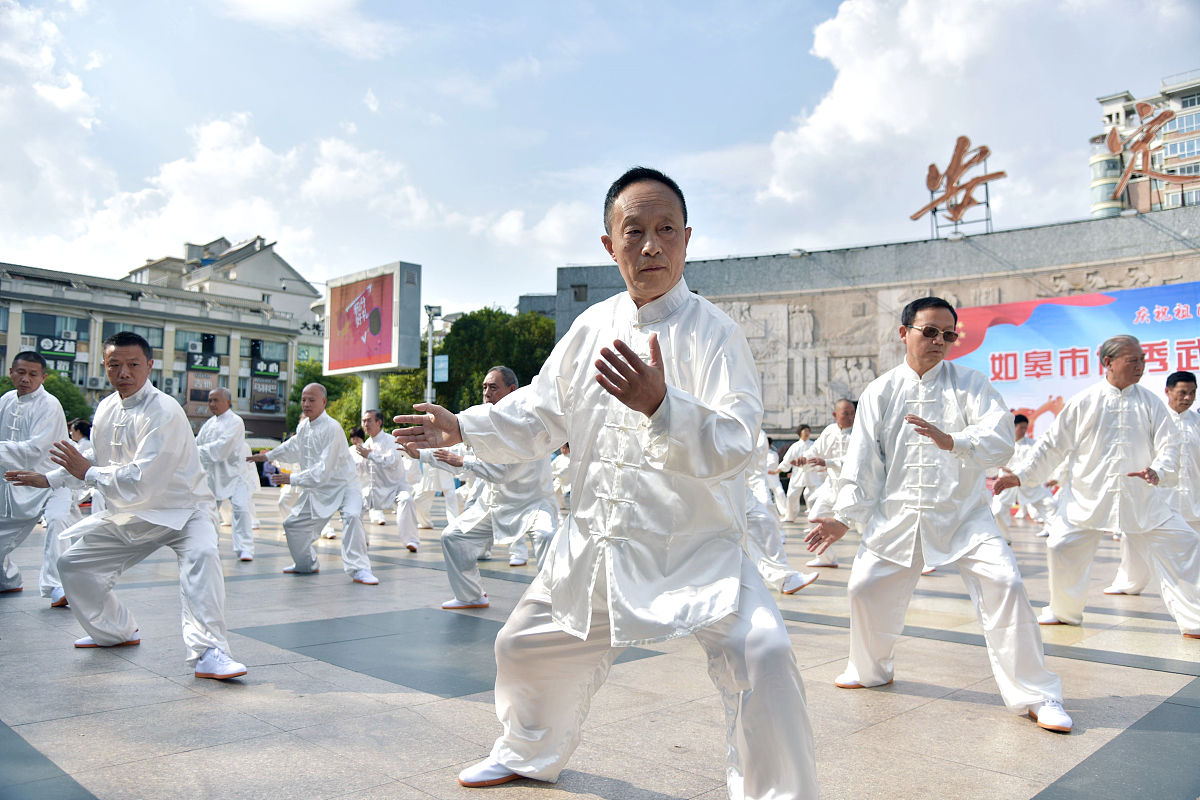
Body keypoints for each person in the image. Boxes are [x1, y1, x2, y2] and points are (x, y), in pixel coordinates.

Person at [395, 167, 817, 796]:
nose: (652, 245)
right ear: (609, 245)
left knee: (765, 654)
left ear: (686, 238)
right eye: (635, 231)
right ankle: (527, 751)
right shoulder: (592, 327)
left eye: (665, 230)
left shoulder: (714, 333)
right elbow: (539, 410)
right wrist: (463, 427)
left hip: (695, 544)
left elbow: (738, 438)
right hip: (598, 543)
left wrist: (662, 406)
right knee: (524, 646)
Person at [806, 296, 1070, 734]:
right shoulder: (880, 391)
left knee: (1005, 582)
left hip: (964, 516)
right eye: (929, 331)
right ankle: (871, 668)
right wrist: (844, 518)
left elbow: (1000, 438)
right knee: (864, 587)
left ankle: (1037, 695)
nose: (940, 341)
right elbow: (863, 464)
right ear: (904, 332)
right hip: (896, 516)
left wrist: (955, 442)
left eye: (948, 334)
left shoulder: (972, 384)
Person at [5, 332, 246, 679]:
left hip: (185, 510)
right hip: (133, 514)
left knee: (202, 559)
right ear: (104, 366)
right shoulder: (106, 407)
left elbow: (142, 476)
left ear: (149, 366)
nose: (124, 373)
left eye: (133, 365)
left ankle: (210, 652)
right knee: (73, 565)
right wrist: (49, 478)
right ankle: (116, 631)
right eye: (114, 365)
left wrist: (86, 471)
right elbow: (95, 456)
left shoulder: (164, 410)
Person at [996, 341, 1200, 637]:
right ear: (1109, 362)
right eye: (1133, 360)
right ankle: (1064, 612)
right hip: (1087, 497)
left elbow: (1169, 446)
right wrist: (1023, 475)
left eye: (1143, 360)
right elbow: (1053, 445)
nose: (1141, 365)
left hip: (1142, 498)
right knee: (1061, 545)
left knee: (1183, 543)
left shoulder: (1152, 403)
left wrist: (1158, 471)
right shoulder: (1084, 402)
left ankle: (1194, 620)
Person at [413, 366, 558, 609]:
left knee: (547, 535)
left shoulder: (528, 418)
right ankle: (470, 595)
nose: (486, 392)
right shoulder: (477, 415)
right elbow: (458, 451)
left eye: (493, 387)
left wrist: (463, 461)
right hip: (493, 505)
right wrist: (420, 454)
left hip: (533, 503)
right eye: (484, 387)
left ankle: (554, 601)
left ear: (512, 390)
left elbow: (502, 470)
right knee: (452, 536)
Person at [250, 383, 379, 585]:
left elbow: (323, 468)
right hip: (318, 489)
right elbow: (292, 447)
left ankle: (360, 569)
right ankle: (306, 564)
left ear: (324, 402)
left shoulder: (333, 428)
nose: (306, 404)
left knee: (353, 517)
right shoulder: (303, 426)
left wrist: (292, 478)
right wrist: (268, 456)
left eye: (312, 400)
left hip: (345, 486)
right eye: (303, 399)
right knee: (292, 525)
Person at [1103, 371, 1200, 595]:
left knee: (1193, 545)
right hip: (1157, 494)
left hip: (1192, 496)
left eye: (1193, 393)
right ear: (1168, 391)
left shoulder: (1197, 422)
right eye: (1182, 393)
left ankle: (1192, 590)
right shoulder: (1154, 419)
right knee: (1134, 538)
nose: (1188, 398)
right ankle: (1129, 582)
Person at [0, 352, 72, 608]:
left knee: (57, 522)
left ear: (44, 377)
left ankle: (57, 586)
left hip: (52, 480)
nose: (26, 379)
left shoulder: (49, 404)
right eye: (21, 373)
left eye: (33, 374)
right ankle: (7, 580)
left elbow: (34, 449)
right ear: (11, 372)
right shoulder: (6, 400)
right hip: (16, 484)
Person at [745, 430, 819, 595]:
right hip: (712, 486)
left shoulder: (759, 433)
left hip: (743, 483)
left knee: (763, 518)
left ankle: (783, 577)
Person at [195, 387, 254, 562]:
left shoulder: (236, 421)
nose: (212, 404)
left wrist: (193, 450)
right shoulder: (209, 424)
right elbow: (196, 443)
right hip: (213, 476)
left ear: (228, 402)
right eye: (210, 400)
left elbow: (221, 448)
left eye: (216, 400)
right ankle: (210, 545)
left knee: (241, 510)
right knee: (208, 513)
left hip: (236, 475)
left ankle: (245, 548)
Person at [799, 399, 856, 568]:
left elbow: (856, 460)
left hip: (854, 487)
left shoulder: (860, 432)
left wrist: (828, 462)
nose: (851, 417)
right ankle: (827, 559)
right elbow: (815, 451)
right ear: (835, 415)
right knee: (813, 518)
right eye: (846, 413)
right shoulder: (829, 431)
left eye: (853, 413)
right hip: (831, 487)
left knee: (869, 526)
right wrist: (804, 459)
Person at [358, 409, 420, 552]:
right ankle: (361, 539)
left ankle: (411, 541)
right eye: (364, 421)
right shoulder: (366, 444)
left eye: (368, 420)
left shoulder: (391, 440)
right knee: (353, 507)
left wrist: (370, 455)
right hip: (375, 489)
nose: (365, 424)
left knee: (406, 500)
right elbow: (363, 470)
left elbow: (391, 461)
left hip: (396, 487)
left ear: (379, 422)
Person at [990, 414, 1058, 541]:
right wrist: (1001, 467)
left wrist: (1016, 472)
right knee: (997, 511)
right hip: (1005, 484)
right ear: (1013, 427)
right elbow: (995, 462)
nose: (1024, 431)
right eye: (1021, 428)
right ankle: (1003, 539)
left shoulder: (1032, 445)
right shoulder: (1002, 443)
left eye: (1025, 428)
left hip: (1028, 483)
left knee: (1049, 505)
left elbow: (1035, 463)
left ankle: (1056, 534)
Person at [776, 424, 814, 522]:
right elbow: (787, 460)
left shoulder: (813, 445)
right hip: (798, 474)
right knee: (791, 495)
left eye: (808, 431)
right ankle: (790, 516)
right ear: (800, 432)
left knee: (812, 495)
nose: (806, 433)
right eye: (804, 431)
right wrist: (778, 470)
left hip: (812, 474)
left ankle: (814, 518)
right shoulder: (795, 446)